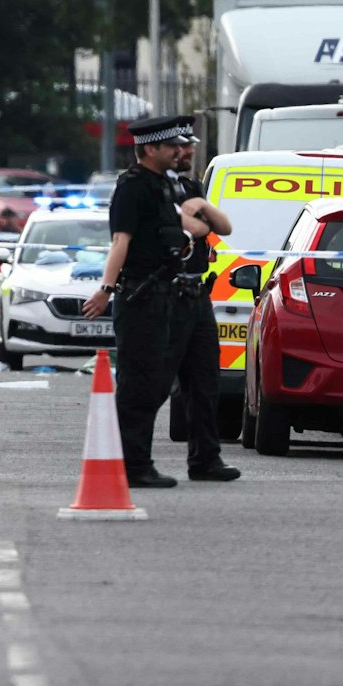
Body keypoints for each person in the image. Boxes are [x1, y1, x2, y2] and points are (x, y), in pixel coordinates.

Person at [81, 114, 207, 489]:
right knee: (139, 384)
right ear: (150, 149)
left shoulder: (163, 186)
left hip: (162, 296)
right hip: (140, 295)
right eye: (171, 147)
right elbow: (121, 241)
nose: (178, 152)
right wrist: (105, 290)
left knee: (152, 381)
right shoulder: (133, 187)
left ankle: (136, 462)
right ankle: (133, 466)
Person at [167, 132, 242, 482]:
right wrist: (192, 215)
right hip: (163, 295)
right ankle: (131, 459)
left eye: (189, 147)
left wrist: (203, 204)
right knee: (152, 382)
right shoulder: (151, 187)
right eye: (182, 147)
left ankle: (205, 459)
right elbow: (194, 229)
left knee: (204, 380)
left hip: (196, 293)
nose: (188, 152)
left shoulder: (192, 185)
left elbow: (221, 228)